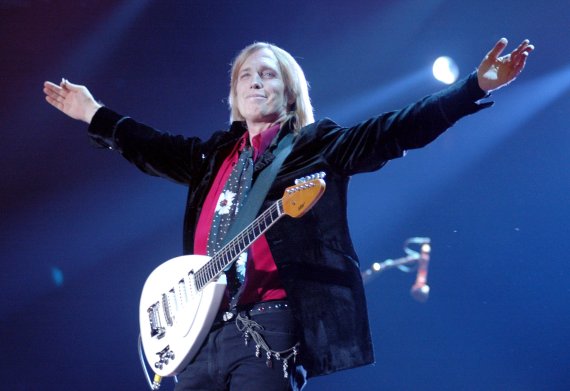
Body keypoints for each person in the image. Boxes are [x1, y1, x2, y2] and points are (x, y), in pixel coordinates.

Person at [43, 37, 534, 391]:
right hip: (195, 332)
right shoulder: (213, 155)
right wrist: (94, 112)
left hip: (269, 325)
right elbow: (148, 146)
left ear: (290, 91)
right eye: (245, 75)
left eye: (268, 73)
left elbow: (394, 129)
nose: (255, 81)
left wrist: (471, 87)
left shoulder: (316, 145)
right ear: (234, 95)